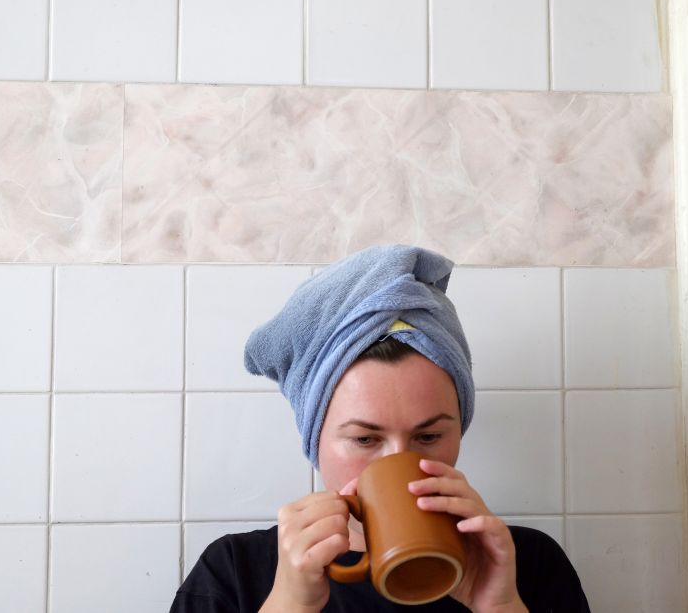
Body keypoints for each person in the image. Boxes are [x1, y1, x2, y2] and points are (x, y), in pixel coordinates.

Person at [170, 244, 590, 612]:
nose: (400, 465)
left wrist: (499, 607)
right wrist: (290, 604)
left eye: (428, 437)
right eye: (364, 439)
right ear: (314, 439)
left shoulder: (524, 563)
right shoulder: (233, 573)